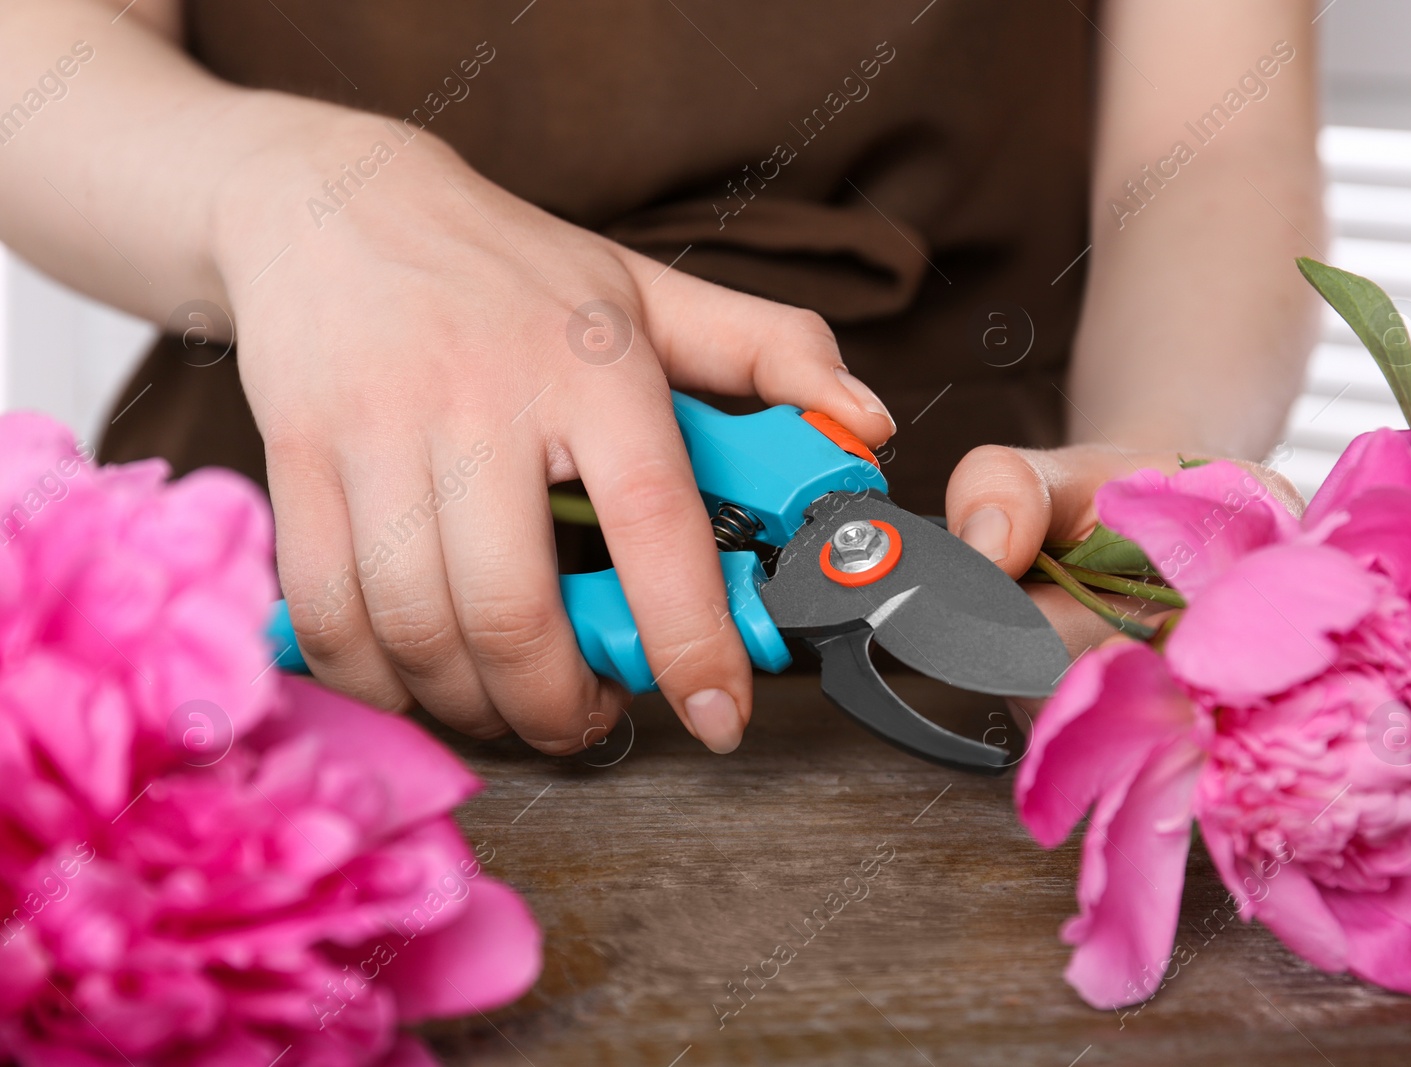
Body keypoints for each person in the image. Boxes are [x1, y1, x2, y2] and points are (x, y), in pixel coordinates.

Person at [0, 0, 1322, 757]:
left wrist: (1165, 466)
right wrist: (296, 197)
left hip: (972, 549)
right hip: (282, 521)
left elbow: (1217, 152)